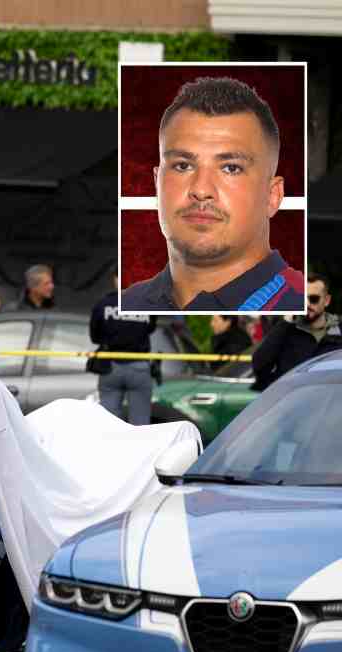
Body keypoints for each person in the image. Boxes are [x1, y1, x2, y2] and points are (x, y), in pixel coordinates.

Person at [121, 77, 304, 313]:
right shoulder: (128, 303)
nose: (201, 190)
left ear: (273, 195)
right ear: (157, 183)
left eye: (231, 168)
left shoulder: (300, 307)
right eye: (182, 165)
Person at [252, 272, 342, 390]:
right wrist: (286, 321)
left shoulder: (339, 331)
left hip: (329, 403)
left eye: (314, 299)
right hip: (292, 403)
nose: (307, 304)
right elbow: (259, 367)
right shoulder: (285, 330)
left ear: (326, 300)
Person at [90, 277, 156, 425]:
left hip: (110, 366)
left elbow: (95, 337)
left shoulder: (103, 304)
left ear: (115, 279)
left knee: (109, 421)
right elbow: (151, 328)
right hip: (139, 367)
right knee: (140, 422)